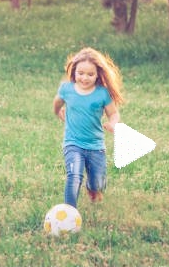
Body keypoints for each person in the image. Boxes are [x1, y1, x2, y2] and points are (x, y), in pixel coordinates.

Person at [53, 47, 125, 208]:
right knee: (74, 175)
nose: (84, 78)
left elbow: (113, 114)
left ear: (98, 74)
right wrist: (58, 111)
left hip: (95, 146)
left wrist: (113, 123)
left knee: (97, 182)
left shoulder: (102, 93)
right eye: (80, 73)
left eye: (90, 74)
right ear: (74, 71)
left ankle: (93, 190)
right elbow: (57, 102)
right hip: (73, 143)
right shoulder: (67, 89)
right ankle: (69, 211)